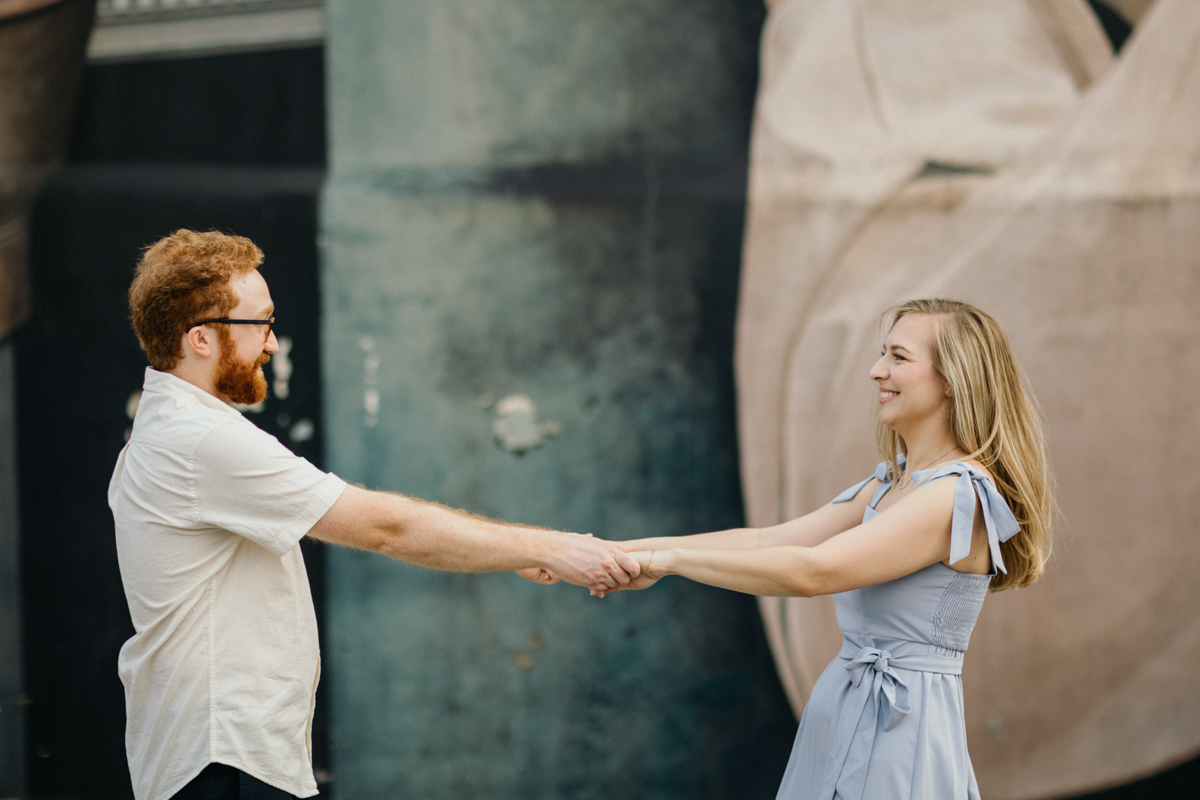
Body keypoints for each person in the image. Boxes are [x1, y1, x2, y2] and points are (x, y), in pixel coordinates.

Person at [109, 229, 640, 800]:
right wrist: (552, 549)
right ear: (201, 340)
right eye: (259, 323)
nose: (271, 344)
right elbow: (387, 527)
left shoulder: (169, 434)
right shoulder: (202, 442)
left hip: (216, 758)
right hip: (223, 763)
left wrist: (523, 549)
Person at [614, 298, 1052, 799]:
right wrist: (616, 551)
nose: (876, 371)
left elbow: (813, 572)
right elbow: (768, 540)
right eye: (881, 354)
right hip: (845, 708)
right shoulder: (892, 485)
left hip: (898, 732)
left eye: (898, 357)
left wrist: (667, 563)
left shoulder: (956, 495)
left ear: (952, 379)